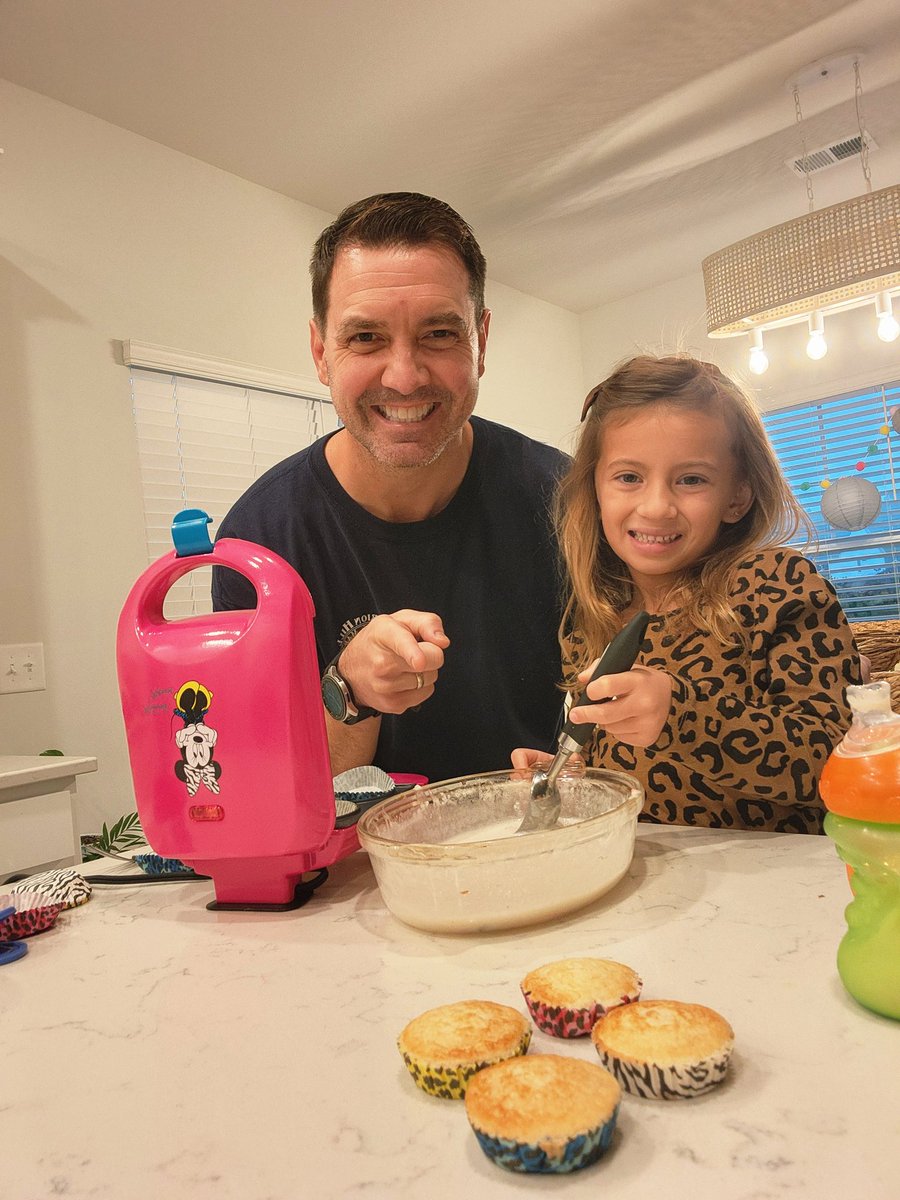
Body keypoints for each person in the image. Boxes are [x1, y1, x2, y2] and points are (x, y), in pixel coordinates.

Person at [212, 192, 568, 781]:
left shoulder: (566, 500)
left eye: (438, 334)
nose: (404, 377)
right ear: (320, 351)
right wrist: (346, 691)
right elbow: (267, 787)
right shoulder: (261, 539)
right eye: (366, 338)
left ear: (481, 341)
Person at [513, 355, 861, 833]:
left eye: (691, 479)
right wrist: (568, 772)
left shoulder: (777, 584)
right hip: (653, 876)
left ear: (737, 496)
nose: (656, 506)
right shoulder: (592, 618)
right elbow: (618, 765)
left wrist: (680, 715)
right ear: (595, 489)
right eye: (629, 477)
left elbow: (835, 759)